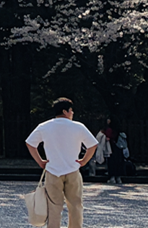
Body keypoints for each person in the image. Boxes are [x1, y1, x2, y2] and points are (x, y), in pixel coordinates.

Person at [25, 98, 97, 228]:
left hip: (53, 170)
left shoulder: (45, 126)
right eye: (71, 110)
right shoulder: (78, 127)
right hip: (73, 169)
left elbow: (30, 143)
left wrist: (40, 161)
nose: (72, 113)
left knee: (54, 206)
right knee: (75, 204)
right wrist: (84, 161)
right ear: (65, 111)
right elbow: (92, 145)